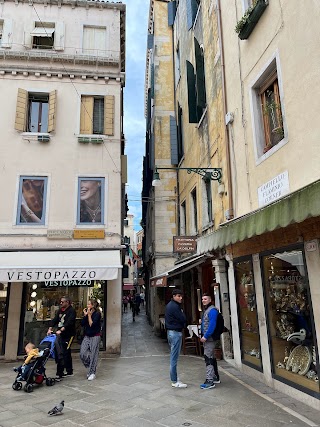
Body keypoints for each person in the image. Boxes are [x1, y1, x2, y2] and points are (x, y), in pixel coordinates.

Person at [47, 296, 76, 380]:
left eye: (62, 302)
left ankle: (68, 370)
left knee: (66, 352)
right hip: (60, 335)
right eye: (61, 302)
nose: (61, 303)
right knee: (59, 352)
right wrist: (50, 328)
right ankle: (61, 371)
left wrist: (62, 329)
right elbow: (55, 320)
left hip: (68, 334)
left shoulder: (71, 311)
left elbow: (69, 322)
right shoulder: (60, 310)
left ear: (67, 302)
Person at [165, 288, 187, 388]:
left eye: (181, 296)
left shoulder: (170, 305)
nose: (181, 298)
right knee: (174, 358)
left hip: (171, 332)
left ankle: (175, 378)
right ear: (174, 297)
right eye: (178, 296)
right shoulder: (174, 306)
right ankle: (174, 381)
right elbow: (183, 318)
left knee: (173, 357)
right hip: (175, 333)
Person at [199, 293, 221, 389]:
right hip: (210, 338)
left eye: (205, 299)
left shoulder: (212, 311)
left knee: (208, 358)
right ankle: (215, 377)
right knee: (211, 357)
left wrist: (205, 336)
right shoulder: (208, 310)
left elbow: (212, 325)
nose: (203, 300)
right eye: (203, 299)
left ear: (210, 300)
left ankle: (210, 381)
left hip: (209, 338)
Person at [79, 298, 102, 381]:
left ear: (93, 305)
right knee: (82, 353)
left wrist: (89, 315)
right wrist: (85, 316)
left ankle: (92, 372)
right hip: (87, 335)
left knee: (93, 354)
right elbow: (82, 323)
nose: (87, 306)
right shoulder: (88, 313)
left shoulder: (97, 314)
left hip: (95, 335)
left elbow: (92, 324)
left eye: (89, 304)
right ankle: (90, 365)